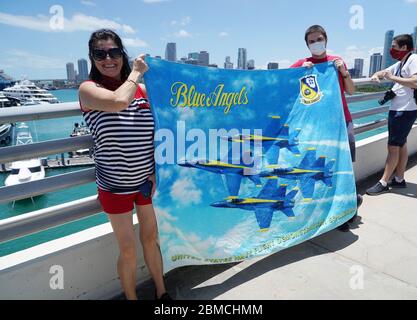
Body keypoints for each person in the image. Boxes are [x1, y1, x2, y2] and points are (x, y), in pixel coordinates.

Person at [78, 29, 171, 300]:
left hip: (145, 183)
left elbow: (160, 130)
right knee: (128, 249)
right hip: (114, 186)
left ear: (122, 54)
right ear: (92, 58)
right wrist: (136, 72)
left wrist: (154, 170)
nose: (109, 58)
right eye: (100, 53)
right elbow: (119, 102)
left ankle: (162, 293)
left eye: (114, 52)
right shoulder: (88, 89)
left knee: (150, 240)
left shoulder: (142, 91)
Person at [290, 25, 363, 232]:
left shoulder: (335, 62)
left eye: (319, 39)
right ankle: (331, 212)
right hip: (317, 130)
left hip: (341, 123)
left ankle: (348, 212)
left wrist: (344, 72)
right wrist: (297, 72)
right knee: (324, 171)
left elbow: (350, 91)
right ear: (307, 44)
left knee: (345, 169)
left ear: (326, 40)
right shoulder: (300, 64)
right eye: (311, 41)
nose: (316, 43)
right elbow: (282, 86)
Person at [366, 34, 417, 196]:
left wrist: (391, 78)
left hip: (405, 110)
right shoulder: (401, 63)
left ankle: (384, 182)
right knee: (400, 144)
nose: (392, 49)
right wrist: (377, 75)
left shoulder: (413, 59)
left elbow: (415, 82)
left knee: (393, 147)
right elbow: (383, 72)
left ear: (404, 47)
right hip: (399, 108)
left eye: (394, 46)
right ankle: (399, 179)